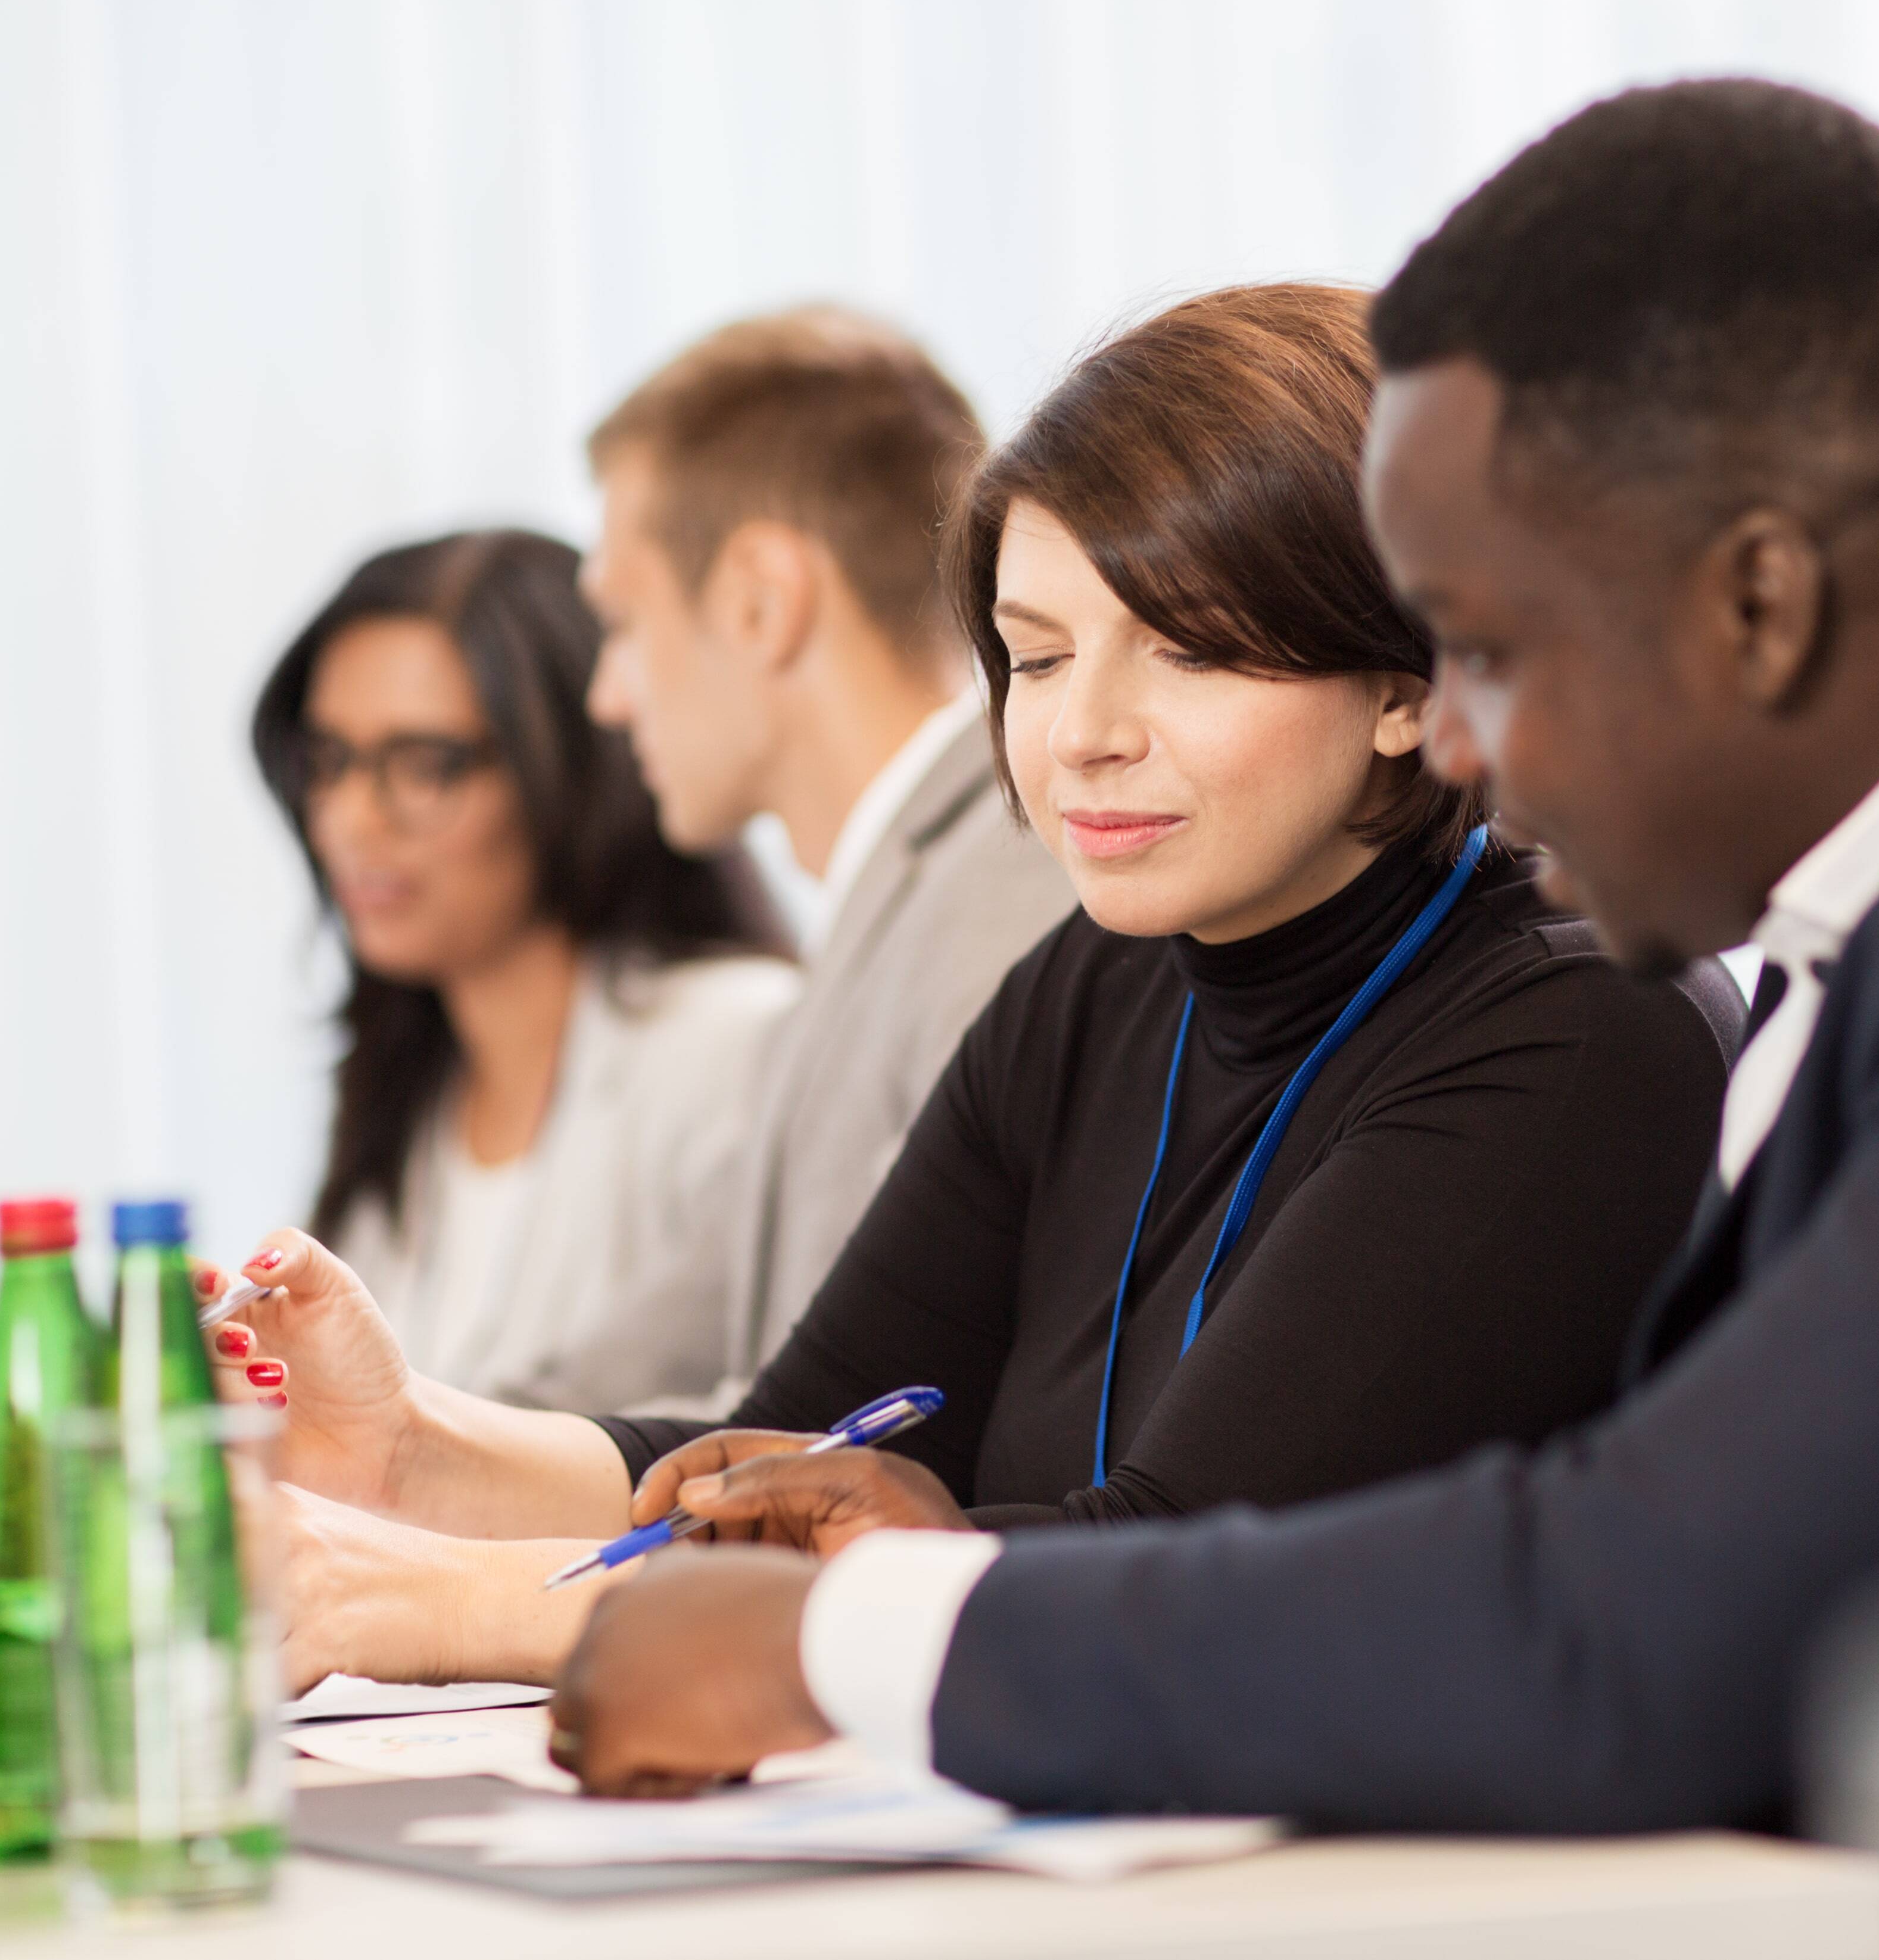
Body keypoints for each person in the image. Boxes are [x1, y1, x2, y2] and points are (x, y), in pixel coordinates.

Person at [539, 80, 1879, 1826]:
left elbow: (1636, 1621)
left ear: (1751, 602)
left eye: (1481, 651)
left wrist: (857, 1637)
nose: (1457, 744)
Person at [211, 283, 1741, 1689]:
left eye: (1183, 654)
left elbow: (1159, 1575)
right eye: (1040, 655)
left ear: (1409, 683)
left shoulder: (1576, 1029)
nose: (1081, 733)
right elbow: (802, 1441)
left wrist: (421, 1600)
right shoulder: (1100, 977)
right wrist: (410, 1447)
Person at [577, 306, 1077, 1403]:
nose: (606, 693)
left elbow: (892, 1402)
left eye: (622, 619)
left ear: (761, 600)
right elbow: (671, 1334)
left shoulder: (1009, 890)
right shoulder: (891, 896)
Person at [250, 529, 798, 1413]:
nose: (350, 819)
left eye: (424, 765)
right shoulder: (408, 1088)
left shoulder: (735, 1044)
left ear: (572, 768)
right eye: (329, 762)